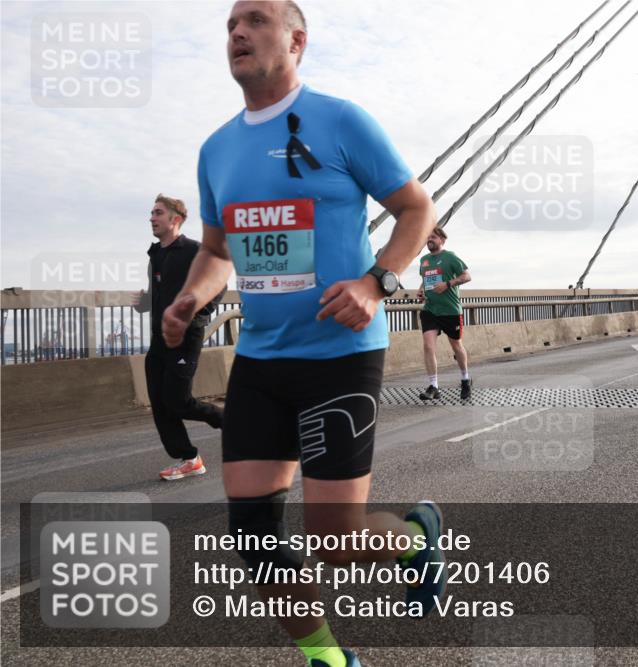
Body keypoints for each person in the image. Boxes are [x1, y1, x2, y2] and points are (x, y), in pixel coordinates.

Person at [163, 3, 442, 665]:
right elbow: (217, 251)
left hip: (339, 356)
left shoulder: (341, 120)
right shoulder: (215, 149)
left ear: (296, 40)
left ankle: (414, 534)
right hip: (260, 361)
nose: (237, 31)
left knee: (335, 540)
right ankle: (330, 659)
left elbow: (415, 207)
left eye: (255, 19)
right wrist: (190, 298)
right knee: (254, 537)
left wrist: (378, 282)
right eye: (231, 23)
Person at [132, 194, 225, 480]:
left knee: (178, 401)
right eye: (151, 212)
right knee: (160, 403)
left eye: (158, 212)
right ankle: (189, 458)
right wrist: (145, 302)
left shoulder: (193, 251)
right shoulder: (156, 255)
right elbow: (162, 292)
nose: (151, 217)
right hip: (159, 341)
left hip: (186, 338)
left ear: (175, 219)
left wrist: (195, 315)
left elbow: (218, 284)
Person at [417, 226, 472, 400]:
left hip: (450, 310)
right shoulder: (424, 260)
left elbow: (466, 276)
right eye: (428, 237)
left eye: (433, 237)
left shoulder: (450, 257)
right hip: (430, 310)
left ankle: (465, 379)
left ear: (442, 240)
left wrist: (448, 284)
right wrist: (420, 290)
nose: (429, 240)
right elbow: (425, 281)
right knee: (428, 345)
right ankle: (434, 386)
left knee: (456, 346)